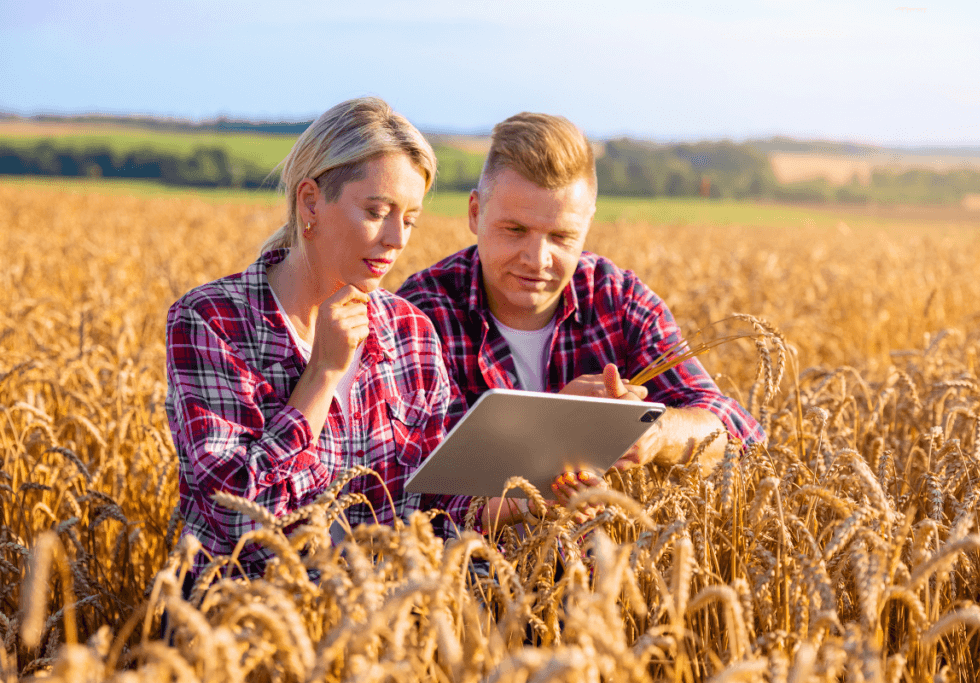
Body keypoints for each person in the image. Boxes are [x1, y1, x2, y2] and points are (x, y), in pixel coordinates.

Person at [165, 97, 480, 579]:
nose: (397, 238)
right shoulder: (212, 321)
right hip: (244, 631)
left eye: (410, 219)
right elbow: (236, 517)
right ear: (310, 201)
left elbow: (437, 500)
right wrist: (322, 376)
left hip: (385, 630)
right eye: (377, 211)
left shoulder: (410, 332)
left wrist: (514, 500)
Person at [397, 112, 765, 485]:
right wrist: (557, 427)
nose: (536, 258)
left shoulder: (620, 302)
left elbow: (740, 433)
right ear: (476, 213)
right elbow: (404, 474)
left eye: (561, 237)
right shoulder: (419, 315)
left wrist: (656, 432)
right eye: (515, 230)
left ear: (587, 225)